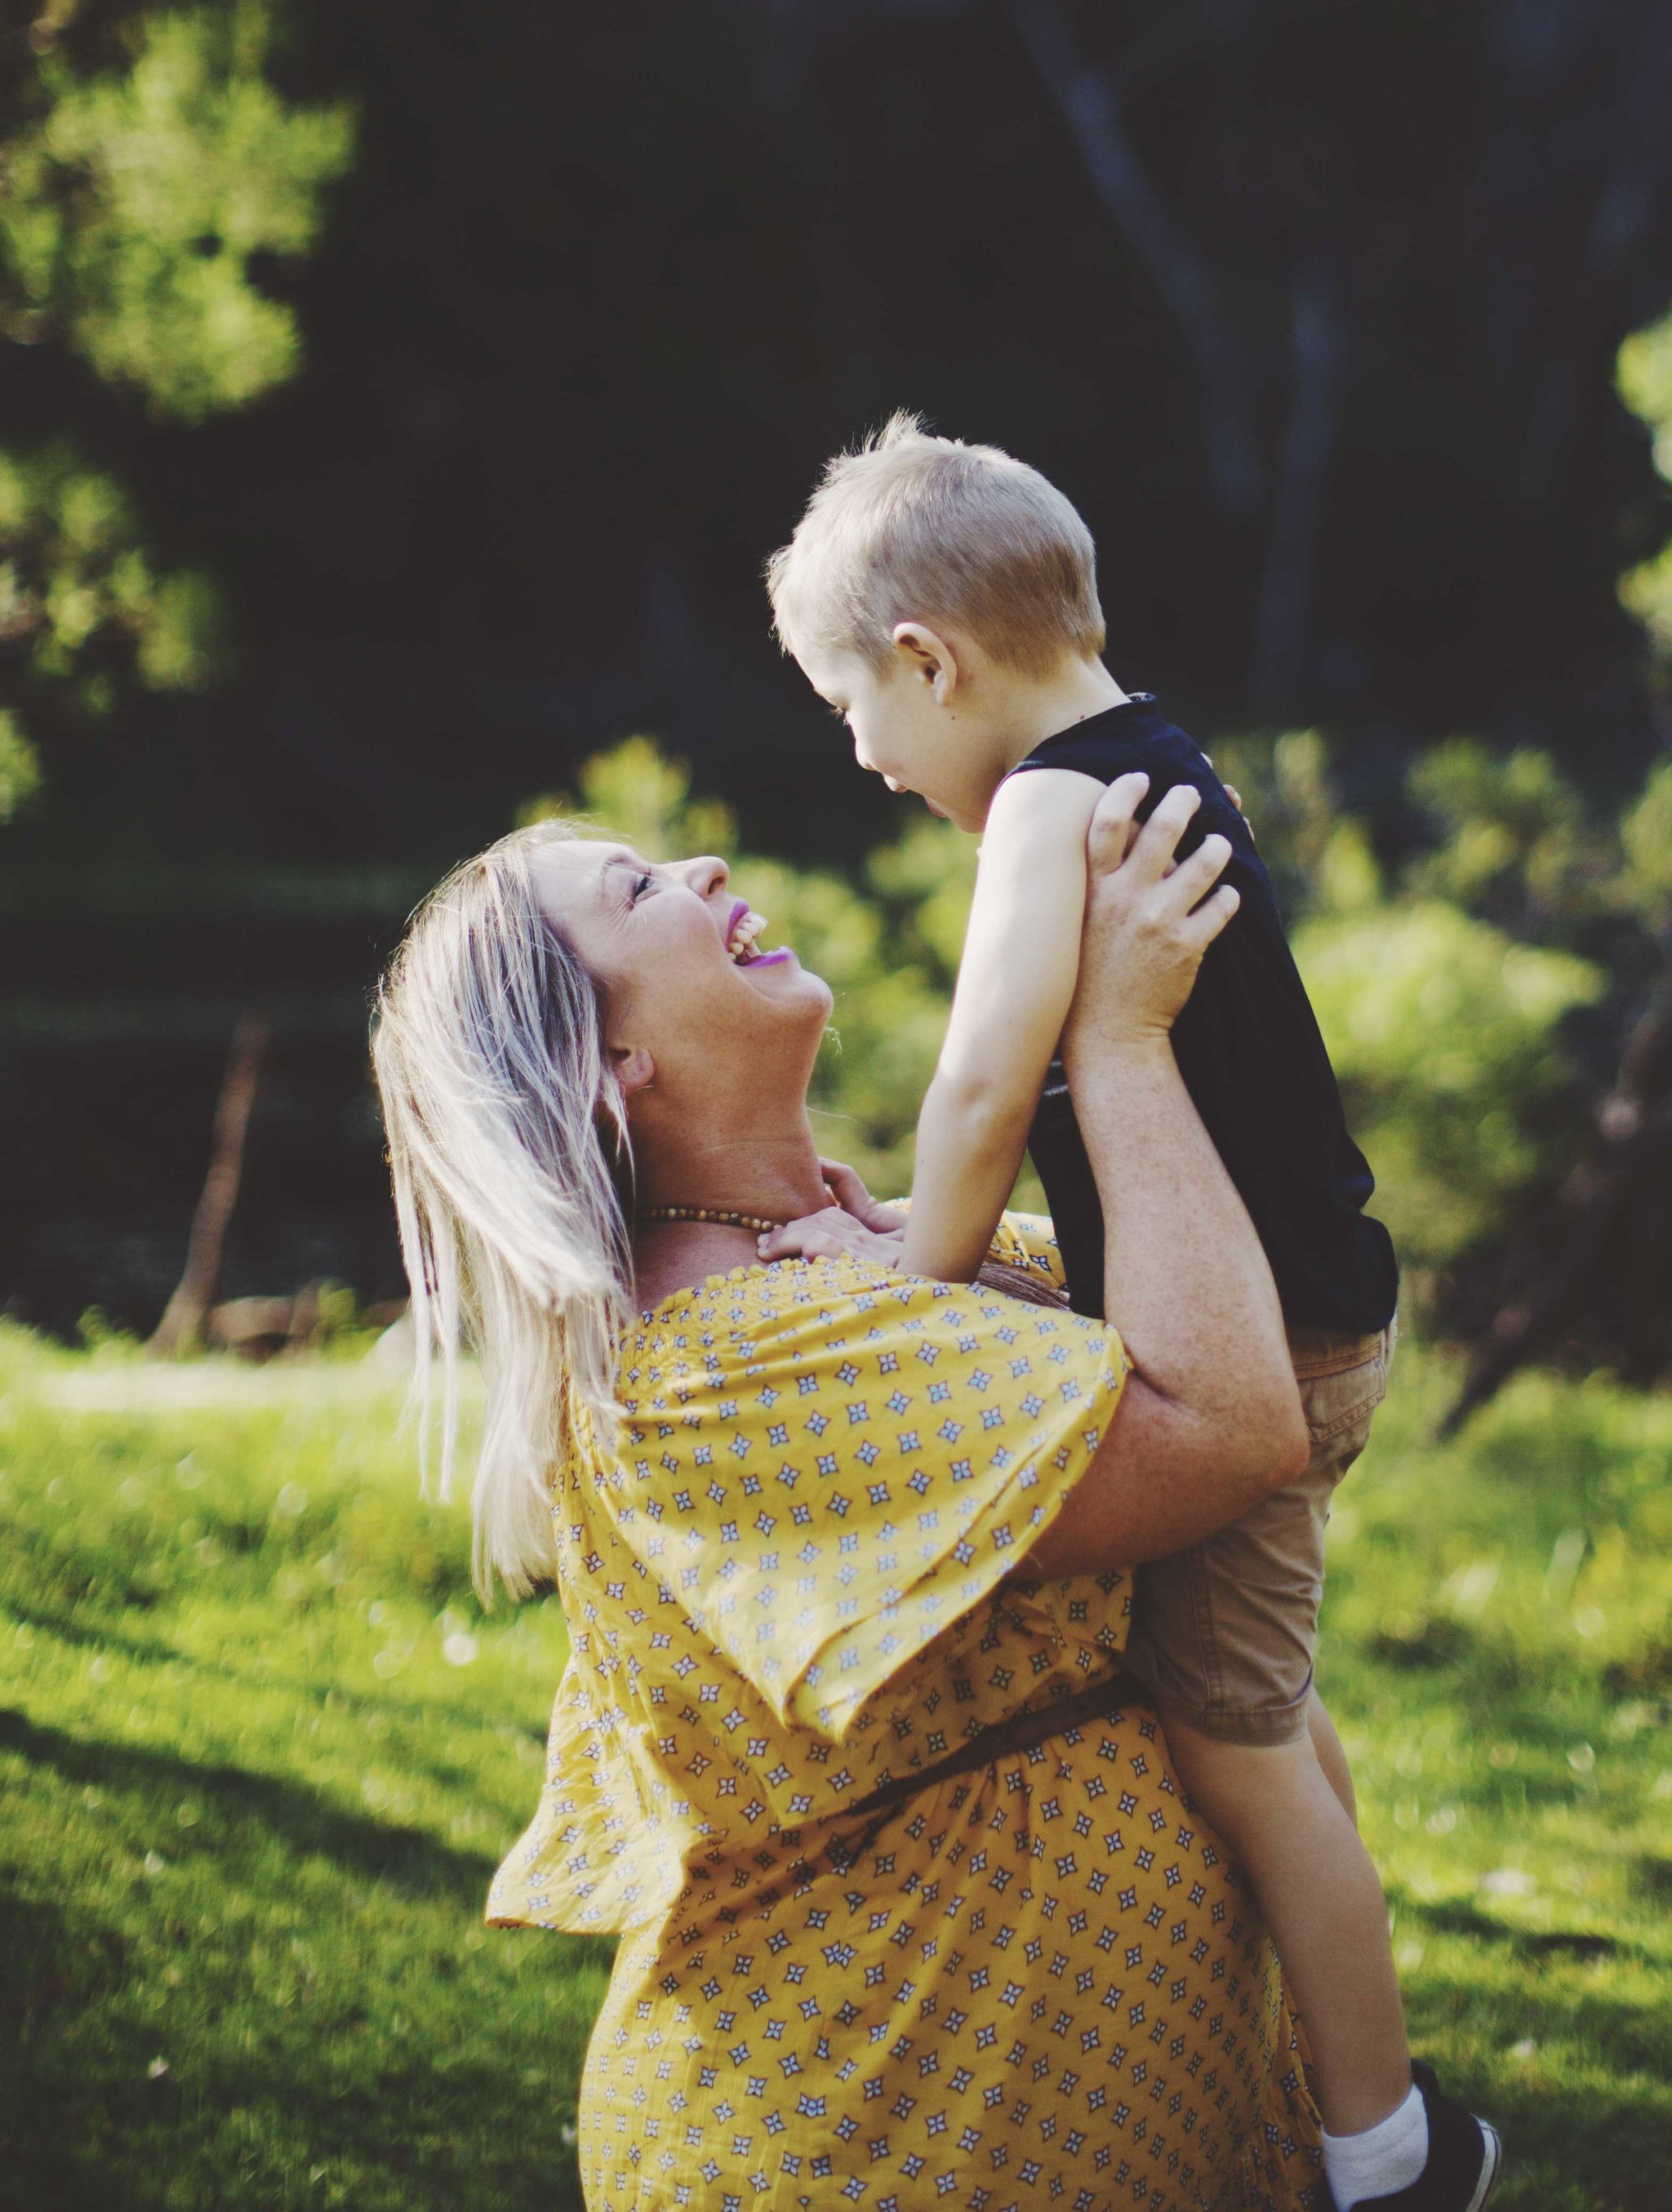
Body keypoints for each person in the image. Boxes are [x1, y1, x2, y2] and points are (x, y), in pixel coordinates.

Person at [371, 775, 1433, 2210]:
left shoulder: (861, 1258)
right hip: (884, 2127)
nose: (703, 858)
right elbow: (1236, 1426)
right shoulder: (713, 1366)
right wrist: (1112, 1039)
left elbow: (1244, 1317)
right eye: (636, 891)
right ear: (608, 1060)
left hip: (1071, 2100)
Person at [766, 419, 1497, 2212]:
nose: (862, 759)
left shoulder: (1045, 806)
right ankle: (1354, 2097)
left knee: (1232, 1752)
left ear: (926, 661)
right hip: (1320, 1313)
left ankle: (1390, 2158)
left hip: (1275, 1352)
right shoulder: (1164, 762)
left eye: (852, 711)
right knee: (1269, 1707)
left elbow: (977, 1085)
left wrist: (907, 1272)